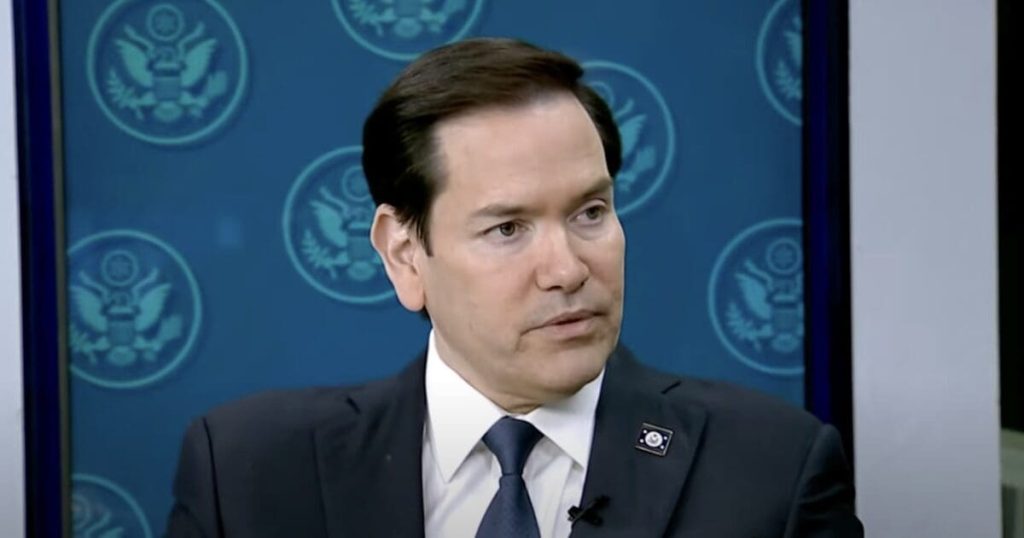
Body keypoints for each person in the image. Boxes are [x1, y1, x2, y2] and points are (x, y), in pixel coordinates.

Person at [165, 38, 864, 537]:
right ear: (405, 255)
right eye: (507, 228)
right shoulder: (248, 475)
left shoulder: (774, 471)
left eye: (590, 213)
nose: (567, 269)